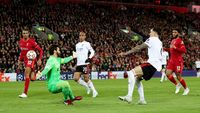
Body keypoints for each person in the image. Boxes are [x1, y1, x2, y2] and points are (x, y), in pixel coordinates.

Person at [118, 28, 163, 105]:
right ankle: (142, 100)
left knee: (131, 73)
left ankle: (129, 96)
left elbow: (139, 47)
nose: (149, 34)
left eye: (150, 32)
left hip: (151, 64)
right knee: (137, 79)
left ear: (155, 33)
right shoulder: (160, 42)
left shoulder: (152, 39)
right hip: (155, 67)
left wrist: (125, 53)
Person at [18, 27, 43, 98]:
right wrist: (20, 61)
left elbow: (40, 50)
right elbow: (22, 53)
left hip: (31, 60)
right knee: (32, 78)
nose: (25, 34)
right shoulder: (21, 41)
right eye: (23, 33)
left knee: (26, 74)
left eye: (26, 33)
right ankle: (37, 75)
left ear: (29, 34)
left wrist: (39, 59)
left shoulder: (32, 42)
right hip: (25, 61)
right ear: (22, 34)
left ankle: (25, 93)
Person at [165, 29, 189, 95]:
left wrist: (175, 47)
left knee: (178, 77)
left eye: (175, 32)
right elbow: (171, 50)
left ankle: (186, 89)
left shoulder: (180, 41)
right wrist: (165, 49)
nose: (173, 33)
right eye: (173, 32)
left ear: (178, 33)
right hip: (171, 61)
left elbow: (184, 50)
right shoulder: (172, 41)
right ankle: (177, 84)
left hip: (178, 61)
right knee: (167, 74)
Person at [74, 31, 98, 97]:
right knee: (76, 78)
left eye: (82, 35)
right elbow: (77, 54)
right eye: (80, 35)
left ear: (85, 36)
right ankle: (87, 87)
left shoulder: (87, 43)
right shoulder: (77, 45)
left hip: (85, 64)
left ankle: (94, 91)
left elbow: (92, 51)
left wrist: (89, 58)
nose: (81, 37)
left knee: (86, 79)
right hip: (78, 64)